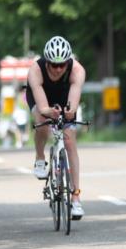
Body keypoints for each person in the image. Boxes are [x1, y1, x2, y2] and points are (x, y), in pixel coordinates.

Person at [27, 36, 87, 218]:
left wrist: (68, 113)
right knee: (42, 122)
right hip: (42, 97)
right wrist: (48, 111)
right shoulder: (35, 70)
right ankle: (39, 158)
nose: (58, 69)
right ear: (47, 63)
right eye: (54, 65)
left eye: (62, 65)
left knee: (69, 140)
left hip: (65, 96)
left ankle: (76, 198)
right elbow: (42, 105)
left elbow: (73, 104)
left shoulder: (77, 70)